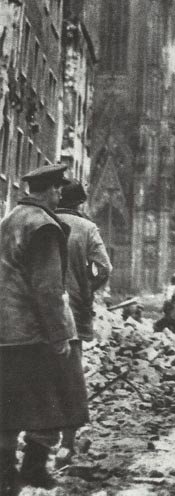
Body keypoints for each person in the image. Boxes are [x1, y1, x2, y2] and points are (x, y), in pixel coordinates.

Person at [0, 164, 89, 496]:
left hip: (5, 331)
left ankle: (5, 474)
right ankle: (35, 468)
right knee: (57, 399)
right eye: (57, 190)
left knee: (7, 408)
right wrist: (58, 336)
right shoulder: (44, 227)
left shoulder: (9, 219)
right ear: (51, 191)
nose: (58, 195)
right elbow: (48, 290)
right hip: (33, 333)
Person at [55, 180, 112, 466]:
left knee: (38, 374)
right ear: (81, 203)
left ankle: (36, 444)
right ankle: (65, 445)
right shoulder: (87, 228)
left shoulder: (43, 220)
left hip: (37, 312)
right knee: (71, 378)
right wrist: (88, 287)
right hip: (73, 312)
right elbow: (105, 268)